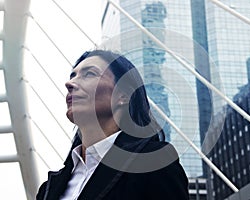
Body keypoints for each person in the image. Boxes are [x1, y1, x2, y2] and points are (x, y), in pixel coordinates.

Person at [36, 49, 189, 200]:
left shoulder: (153, 161)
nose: (69, 83)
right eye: (73, 75)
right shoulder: (48, 189)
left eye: (89, 74)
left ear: (123, 95)